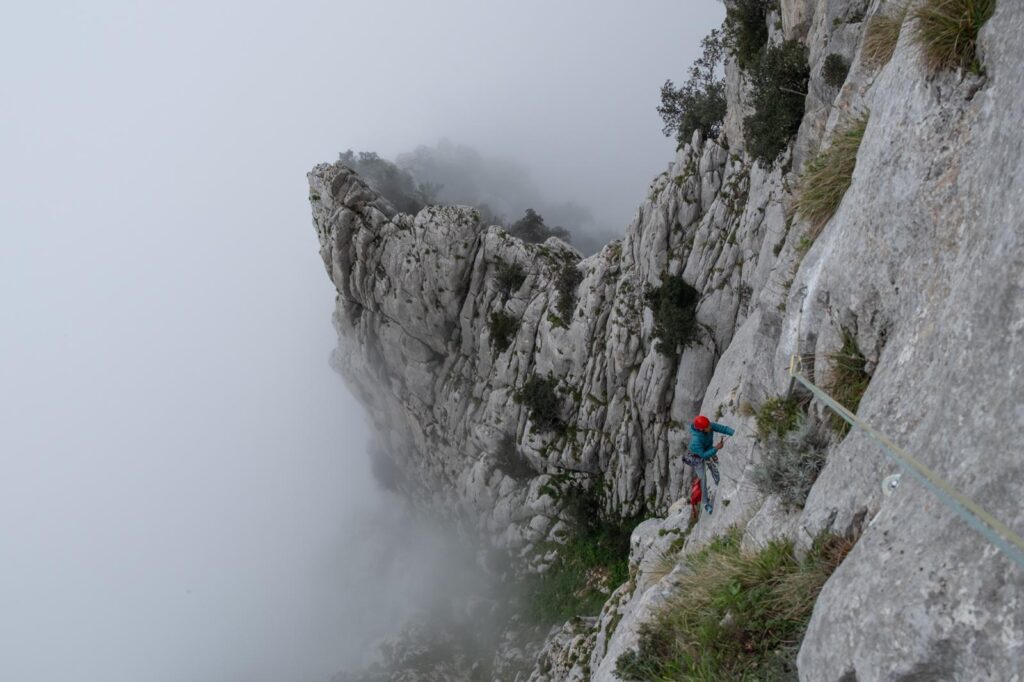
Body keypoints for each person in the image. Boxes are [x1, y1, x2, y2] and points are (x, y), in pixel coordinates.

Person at [687, 415, 734, 514]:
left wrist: (735, 432)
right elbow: (703, 455)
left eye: (709, 425)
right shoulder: (696, 440)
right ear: (701, 429)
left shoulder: (707, 426)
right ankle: (705, 503)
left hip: (707, 449)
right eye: (707, 427)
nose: (710, 427)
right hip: (696, 456)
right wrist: (716, 448)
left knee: (714, 465)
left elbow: (722, 428)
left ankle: (718, 481)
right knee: (703, 479)